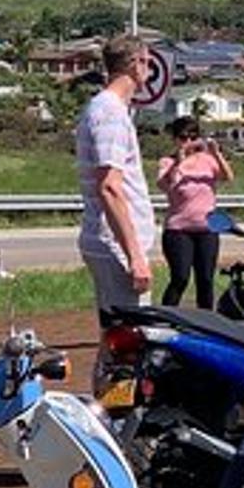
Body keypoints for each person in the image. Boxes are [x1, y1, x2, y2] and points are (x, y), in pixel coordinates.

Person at [77, 36, 158, 325]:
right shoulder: (110, 114)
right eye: (147, 62)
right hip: (115, 244)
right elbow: (110, 187)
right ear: (135, 64)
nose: (149, 69)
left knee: (116, 338)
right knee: (131, 338)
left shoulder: (107, 110)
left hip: (110, 241)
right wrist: (134, 255)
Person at [155, 116, 233, 308]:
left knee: (206, 279)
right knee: (180, 277)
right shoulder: (167, 162)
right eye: (183, 137)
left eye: (193, 136)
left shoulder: (207, 161)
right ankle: (167, 317)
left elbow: (227, 177)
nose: (188, 141)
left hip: (206, 228)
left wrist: (217, 154)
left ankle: (206, 321)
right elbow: (165, 185)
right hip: (178, 229)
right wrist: (179, 162)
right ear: (174, 138)